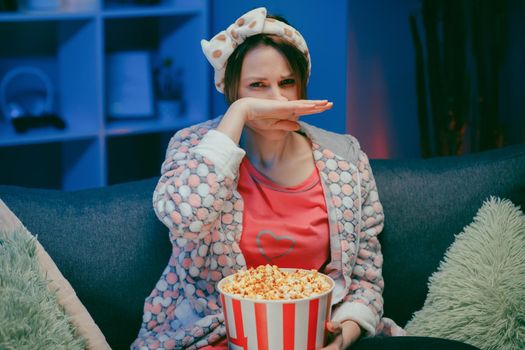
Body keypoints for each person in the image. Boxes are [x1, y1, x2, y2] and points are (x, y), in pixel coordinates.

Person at [132, 7, 477, 350]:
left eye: (287, 83)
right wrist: (238, 113)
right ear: (232, 90)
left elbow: (364, 280)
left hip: (312, 335)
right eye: (257, 86)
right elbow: (186, 220)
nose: (277, 100)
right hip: (216, 336)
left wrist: (345, 332)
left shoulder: (345, 158)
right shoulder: (194, 147)